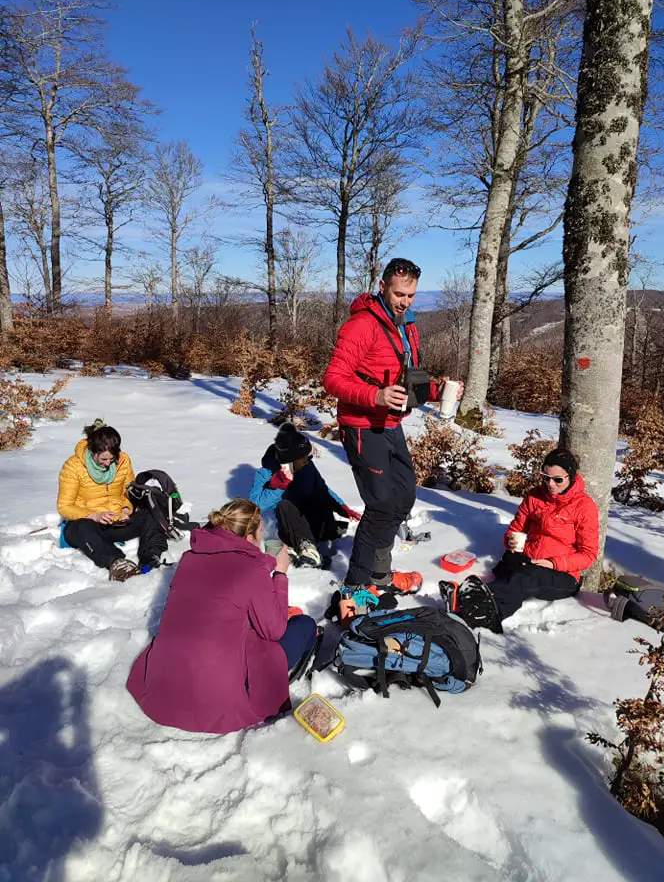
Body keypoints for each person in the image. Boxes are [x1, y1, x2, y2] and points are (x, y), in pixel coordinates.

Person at [323, 257, 460, 597]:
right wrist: (376, 395)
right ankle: (356, 584)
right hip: (361, 424)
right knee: (381, 502)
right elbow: (333, 379)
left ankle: (379, 571)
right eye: (399, 294)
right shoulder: (362, 325)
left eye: (411, 295)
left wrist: (433, 390)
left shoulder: (406, 324)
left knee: (404, 496)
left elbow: (404, 377)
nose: (405, 301)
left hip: (391, 422)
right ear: (382, 287)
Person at [126, 498, 319, 734]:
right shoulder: (252, 568)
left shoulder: (190, 558)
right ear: (249, 538)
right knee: (305, 625)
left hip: (163, 686)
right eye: (260, 532)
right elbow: (274, 630)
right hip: (215, 697)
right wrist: (279, 574)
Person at [442, 449, 599, 632]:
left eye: (558, 479)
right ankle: (469, 602)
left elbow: (588, 554)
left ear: (570, 477)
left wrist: (552, 563)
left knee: (524, 579)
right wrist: (510, 541)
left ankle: (489, 614)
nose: (550, 484)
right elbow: (516, 529)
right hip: (528, 560)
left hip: (562, 574)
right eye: (545, 477)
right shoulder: (535, 496)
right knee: (509, 568)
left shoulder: (584, 507)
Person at [58, 420, 167, 582]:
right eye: (103, 459)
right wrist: (93, 515)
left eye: (112, 458)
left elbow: (130, 493)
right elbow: (64, 506)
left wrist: (126, 509)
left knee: (151, 514)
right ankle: (117, 563)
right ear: (92, 451)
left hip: (115, 522)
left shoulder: (123, 461)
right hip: (85, 524)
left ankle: (150, 558)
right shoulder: (73, 466)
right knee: (83, 527)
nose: (108, 463)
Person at [249, 422, 361, 567]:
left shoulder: (307, 467)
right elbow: (254, 505)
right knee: (285, 505)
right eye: (305, 457)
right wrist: (278, 487)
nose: (309, 460)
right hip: (292, 526)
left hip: (316, 519)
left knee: (319, 498)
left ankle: (322, 540)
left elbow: (322, 488)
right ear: (291, 460)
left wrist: (341, 506)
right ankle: (305, 547)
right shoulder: (266, 472)